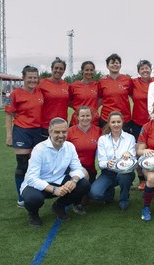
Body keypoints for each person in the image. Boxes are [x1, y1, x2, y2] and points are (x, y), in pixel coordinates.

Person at [20, 117, 91, 227]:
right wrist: (54, 189)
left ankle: (59, 206)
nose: (61, 135)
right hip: (37, 184)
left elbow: (78, 168)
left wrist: (74, 180)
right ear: (50, 131)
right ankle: (33, 214)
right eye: (57, 132)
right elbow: (31, 178)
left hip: (58, 181)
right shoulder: (39, 149)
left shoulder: (70, 146)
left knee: (84, 184)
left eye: (64, 132)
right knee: (33, 198)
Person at [5, 66, 44, 207]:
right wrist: (9, 135)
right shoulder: (16, 93)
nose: (33, 80)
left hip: (37, 131)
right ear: (24, 78)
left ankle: (33, 191)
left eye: (35, 77)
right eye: (30, 77)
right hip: (22, 131)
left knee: (35, 164)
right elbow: (9, 114)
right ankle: (21, 197)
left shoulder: (40, 92)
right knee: (22, 165)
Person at [89, 111, 136, 210]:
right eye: (113, 122)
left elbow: (134, 161)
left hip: (125, 172)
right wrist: (107, 163)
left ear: (122, 122)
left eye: (118, 122)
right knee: (94, 194)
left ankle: (124, 198)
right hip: (108, 173)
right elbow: (101, 163)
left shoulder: (130, 138)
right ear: (109, 123)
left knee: (124, 178)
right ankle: (109, 192)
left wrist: (130, 155)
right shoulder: (102, 139)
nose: (116, 124)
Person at [67, 106, 102, 214]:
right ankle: (74, 203)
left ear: (92, 117)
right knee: (80, 193)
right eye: (82, 116)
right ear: (77, 117)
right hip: (72, 168)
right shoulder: (70, 131)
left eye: (88, 115)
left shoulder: (98, 131)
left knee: (92, 196)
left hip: (90, 168)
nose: (85, 118)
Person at [131, 60, 154, 191]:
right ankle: (141, 179)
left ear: (151, 69)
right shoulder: (133, 83)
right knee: (138, 153)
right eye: (142, 68)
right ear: (139, 71)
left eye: (147, 68)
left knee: (152, 150)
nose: (145, 70)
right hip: (137, 123)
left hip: (153, 123)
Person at [98, 53, 134, 129]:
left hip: (124, 119)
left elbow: (134, 97)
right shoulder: (102, 81)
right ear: (107, 66)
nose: (115, 65)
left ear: (120, 65)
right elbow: (99, 100)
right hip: (106, 119)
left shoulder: (127, 80)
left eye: (117, 63)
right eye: (112, 63)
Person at [38, 57, 70, 138]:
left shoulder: (66, 85)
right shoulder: (42, 83)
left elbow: (71, 102)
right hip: (46, 125)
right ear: (51, 69)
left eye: (61, 69)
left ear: (64, 71)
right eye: (56, 68)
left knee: (61, 150)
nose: (58, 71)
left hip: (62, 126)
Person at [68, 61, 100, 127]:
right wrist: (78, 108)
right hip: (77, 121)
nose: (89, 72)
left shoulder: (97, 86)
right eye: (87, 70)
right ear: (82, 71)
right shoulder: (74, 86)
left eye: (91, 70)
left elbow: (101, 99)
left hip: (93, 121)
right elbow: (69, 101)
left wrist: (93, 108)